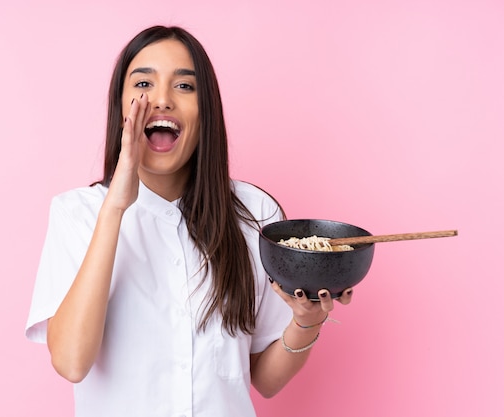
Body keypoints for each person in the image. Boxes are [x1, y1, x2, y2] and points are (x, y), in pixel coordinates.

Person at [26, 25, 353, 416]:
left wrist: (306, 321)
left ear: (206, 111)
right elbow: (71, 362)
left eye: (184, 87)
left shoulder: (256, 215)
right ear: (121, 108)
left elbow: (264, 379)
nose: (162, 99)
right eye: (143, 82)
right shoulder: (77, 213)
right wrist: (115, 207)